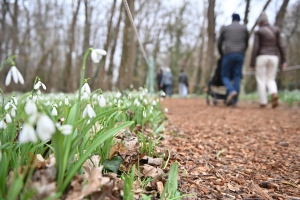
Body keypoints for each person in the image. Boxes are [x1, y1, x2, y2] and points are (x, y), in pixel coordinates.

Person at [250, 11, 286, 108]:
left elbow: (255, 48)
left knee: (261, 80)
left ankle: (263, 102)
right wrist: (284, 60)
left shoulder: (259, 31)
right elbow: (281, 46)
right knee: (271, 78)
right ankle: (274, 93)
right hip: (274, 57)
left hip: (262, 56)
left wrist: (252, 63)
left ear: (259, 22)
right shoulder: (276, 30)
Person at [217, 13, 249, 106]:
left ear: (232, 19)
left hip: (228, 54)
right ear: (239, 19)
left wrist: (222, 54)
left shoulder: (226, 28)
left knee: (224, 75)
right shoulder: (244, 28)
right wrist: (242, 52)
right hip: (239, 54)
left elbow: (219, 43)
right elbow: (246, 43)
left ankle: (231, 91)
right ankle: (234, 102)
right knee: (237, 77)